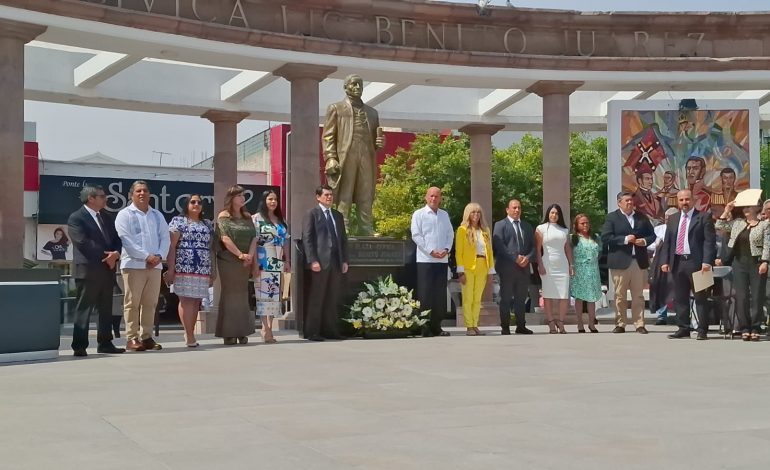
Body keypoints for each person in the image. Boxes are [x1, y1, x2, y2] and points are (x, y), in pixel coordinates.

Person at [322, 74, 385, 235]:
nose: (358, 87)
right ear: (346, 87)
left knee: (366, 191)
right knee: (346, 191)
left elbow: (375, 139)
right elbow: (328, 135)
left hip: (366, 154)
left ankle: (366, 227)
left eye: (360, 85)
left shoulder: (372, 113)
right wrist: (330, 157)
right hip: (346, 154)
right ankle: (343, 226)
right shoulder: (336, 108)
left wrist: (380, 142)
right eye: (354, 84)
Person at [67, 185, 123, 356]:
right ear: (91, 198)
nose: (105, 198)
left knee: (106, 308)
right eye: (102, 195)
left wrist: (116, 254)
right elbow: (82, 243)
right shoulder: (77, 218)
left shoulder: (107, 217)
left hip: (107, 269)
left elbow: (116, 239)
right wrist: (108, 256)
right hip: (88, 270)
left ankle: (105, 343)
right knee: (84, 308)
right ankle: (79, 346)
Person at [114, 181, 170, 351]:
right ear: (131, 195)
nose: (142, 193)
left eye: (145, 190)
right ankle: (131, 338)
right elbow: (125, 240)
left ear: (149, 194)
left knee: (151, 303)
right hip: (133, 265)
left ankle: (146, 337)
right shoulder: (124, 214)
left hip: (155, 267)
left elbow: (165, 238)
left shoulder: (157, 215)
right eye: (138, 191)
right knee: (132, 302)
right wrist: (147, 256)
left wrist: (159, 256)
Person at [659, 189, 716, 340]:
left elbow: (709, 242)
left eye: (687, 199)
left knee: (700, 297)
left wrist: (707, 262)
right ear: (677, 201)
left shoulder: (704, 217)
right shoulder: (673, 219)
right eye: (681, 200)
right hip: (678, 262)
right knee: (680, 297)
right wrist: (665, 261)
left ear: (693, 200)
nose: (684, 202)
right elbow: (668, 242)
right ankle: (683, 328)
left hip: (697, 263)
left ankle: (702, 329)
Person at [601, 192, 656, 334]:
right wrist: (625, 239)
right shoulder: (612, 217)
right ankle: (620, 323)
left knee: (638, 295)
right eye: (626, 201)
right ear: (619, 202)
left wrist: (643, 241)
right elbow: (606, 237)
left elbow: (652, 235)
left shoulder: (641, 217)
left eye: (631, 200)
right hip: (620, 261)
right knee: (620, 295)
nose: (630, 203)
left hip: (638, 261)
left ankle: (639, 324)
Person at [716, 199, 770, 341]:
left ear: (757, 208)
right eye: (744, 207)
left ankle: (756, 327)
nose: (746, 209)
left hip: (756, 263)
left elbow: (767, 245)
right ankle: (744, 327)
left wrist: (765, 261)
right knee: (742, 296)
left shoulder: (764, 225)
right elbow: (720, 225)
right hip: (739, 263)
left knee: (757, 296)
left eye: (749, 207)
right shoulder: (738, 223)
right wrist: (727, 209)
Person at [166, 194, 215, 348]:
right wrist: (171, 269)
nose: (196, 204)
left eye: (199, 202)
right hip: (184, 266)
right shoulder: (178, 221)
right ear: (186, 204)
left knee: (196, 302)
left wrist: (213, 270)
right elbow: (171, 246)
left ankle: (190, 332)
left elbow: (211, 248)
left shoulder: (207, 224)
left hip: (202, 268)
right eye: (193, 202)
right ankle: (189, 334)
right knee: (186, 301)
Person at [302, 185, 349, 341]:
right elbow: (307, 239)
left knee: (332, 297)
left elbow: (343, 239)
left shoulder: (337, 215)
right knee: (317, 297)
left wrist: (345, 260)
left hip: (336, 261)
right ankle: (313, 331)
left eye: (331, 195)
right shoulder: (312, 214)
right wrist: (312, 260)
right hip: (320, 262)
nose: (329, 197)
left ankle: (331, 330)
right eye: (326, 195)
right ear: (318, 197)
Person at [215, 185, 257, 345]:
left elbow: (254, 237)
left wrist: (250, 256)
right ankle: (229, 333)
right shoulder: (223, 216)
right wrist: (240, 254)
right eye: (239, 195)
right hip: (229, 261)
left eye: (243, 195)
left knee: (242, 295)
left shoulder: (247, 216)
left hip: (245, 261)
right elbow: (225, 238)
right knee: (230, 295)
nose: (242, 198)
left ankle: (242, 331)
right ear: (231, 198)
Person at [411, 186, 454, 337]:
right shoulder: (419, 214)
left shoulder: (444, 215)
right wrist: (430, 251)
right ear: (426, 197)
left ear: (440, 198)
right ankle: (425, 326)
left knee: (439, 295)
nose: (434, 199)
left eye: (437, 196)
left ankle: (437, 326)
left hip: (442, 260)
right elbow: (416, 235)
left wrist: (446, 249)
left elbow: (450, 234)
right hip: (425, 260)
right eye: (431, 196)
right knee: (426, 294)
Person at [492, 199, 535, 335]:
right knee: (505, 298)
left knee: (521, 298)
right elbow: (500, 245)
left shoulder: (527, 226)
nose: (517, 210)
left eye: (519, 208)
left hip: (523, 268)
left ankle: (521, 326)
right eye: (514, 208)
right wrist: (515, 258)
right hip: (506, 268)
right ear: (507, 210)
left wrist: (527, 257)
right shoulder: (500, 225)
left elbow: (533, 246)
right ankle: (505, 327)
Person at [253, 190, 290, 344]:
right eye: (270, 199)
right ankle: (265, 329)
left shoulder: (281, 220)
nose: (273, 202)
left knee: (274, 296)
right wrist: (254, 262)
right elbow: (253, 242)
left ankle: (269, 327)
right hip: (262, 259)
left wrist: (287, 260)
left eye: (275, 199)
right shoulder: (256, 219)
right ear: (264, 200)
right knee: (263, 295)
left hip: (277, 260)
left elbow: (286, 241)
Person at [455, 203, 495, 336]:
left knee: (478, 298)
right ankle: (469, 326)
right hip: (467, 267)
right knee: (468, 297)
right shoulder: (462, 230)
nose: (476, 215)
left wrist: (491, 271)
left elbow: (490, 251)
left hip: (483, 265)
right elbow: (458, 252)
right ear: (468, 214)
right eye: (473, 212)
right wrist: (460, 271)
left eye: (478, 213)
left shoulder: (485, 231)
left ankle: (475, 324)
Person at [535, 204, 573, 334]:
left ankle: (561, 322)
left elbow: (567, 248)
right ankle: (551, 322)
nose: (554, 215)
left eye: (556, 213)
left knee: (563, 296)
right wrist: (540, 264)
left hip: (562, 264)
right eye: (552, 213)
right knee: (548, 295)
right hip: (548, 263)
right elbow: (538, 248)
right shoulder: (541, 228)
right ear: (548, 214)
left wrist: (571, 265)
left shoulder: (564, 230)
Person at [570, 214, 601, 333]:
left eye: (587, 222)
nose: (585, 225)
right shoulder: (573, 238)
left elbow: (600, 252)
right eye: (582, 223)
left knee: (592, 298)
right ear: (577, 225)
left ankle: (591, 323)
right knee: (579, 297)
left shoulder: (595, 237)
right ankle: (579, 323)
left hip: (593, 269)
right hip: (579, 270)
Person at [647, 207, 678, 325]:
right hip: (659, 262)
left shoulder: (679, 228)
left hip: (675, 261)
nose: (667, 220)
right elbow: (650, 245)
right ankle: (662, 315)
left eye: (669, 218)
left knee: (676, 287)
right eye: (665, 218)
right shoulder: (659, 229)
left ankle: (679, 314)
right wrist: (657, 244)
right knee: (660, 287)